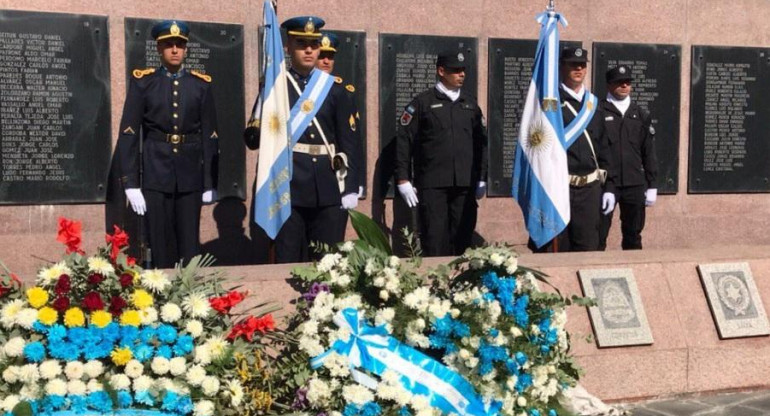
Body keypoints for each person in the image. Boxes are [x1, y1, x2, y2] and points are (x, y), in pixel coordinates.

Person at [243, 16, 360, 263]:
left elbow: (348, 142)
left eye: (313, 44)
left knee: (327, 259)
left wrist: (350, 187)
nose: (309, 50)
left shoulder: (334, 90)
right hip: (288, 183)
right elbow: (253, 139)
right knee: (288, 257)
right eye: (301, 43)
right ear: (287, 46)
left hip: (327, 185)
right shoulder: (275, 86)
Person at [116, 20, 219, 268]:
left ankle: (191, 298)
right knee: (158, 242)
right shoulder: (144, 83)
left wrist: (209, 182)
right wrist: (130, 183)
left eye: (180, 45)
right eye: (169, 45)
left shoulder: (200, 85)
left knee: (190, 244)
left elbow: (211, 136)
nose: (175, 50)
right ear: (159, 49)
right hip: (155, 173)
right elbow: (129, 133)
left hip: (190, 174)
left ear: (186, 49)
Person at [395, 50, 488, 256]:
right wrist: (403, 179)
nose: (461, 74)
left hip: (464, 185)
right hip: (433, 185)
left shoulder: (470, 104)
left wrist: (482, 177)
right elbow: (404, 141)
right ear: (441, 71)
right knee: (434, 240)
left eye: (463, 70)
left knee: (463, 238)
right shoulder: (423, 103)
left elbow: (482, 144)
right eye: (455, 70)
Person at [531, 47, 615, 252]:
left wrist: (610, 188)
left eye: (582, 65)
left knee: (588, 248)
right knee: (557, 251)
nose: (578, 69)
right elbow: (537, 148)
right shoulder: (549, 105)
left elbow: (604, 149)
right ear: (561, 67)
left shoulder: (595, 105)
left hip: (589, 190)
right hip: (559, 188)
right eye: (573, 64)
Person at [598, 65, 658, 250]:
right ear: (609, 85)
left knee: (633, 235)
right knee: (598, 234)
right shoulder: (598, 111)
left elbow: (648, 150)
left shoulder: (640, 114)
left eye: (628, 82)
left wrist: (652, 184)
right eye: (619, 82)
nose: (624, 85)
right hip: (606, 183)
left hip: (634, 182)